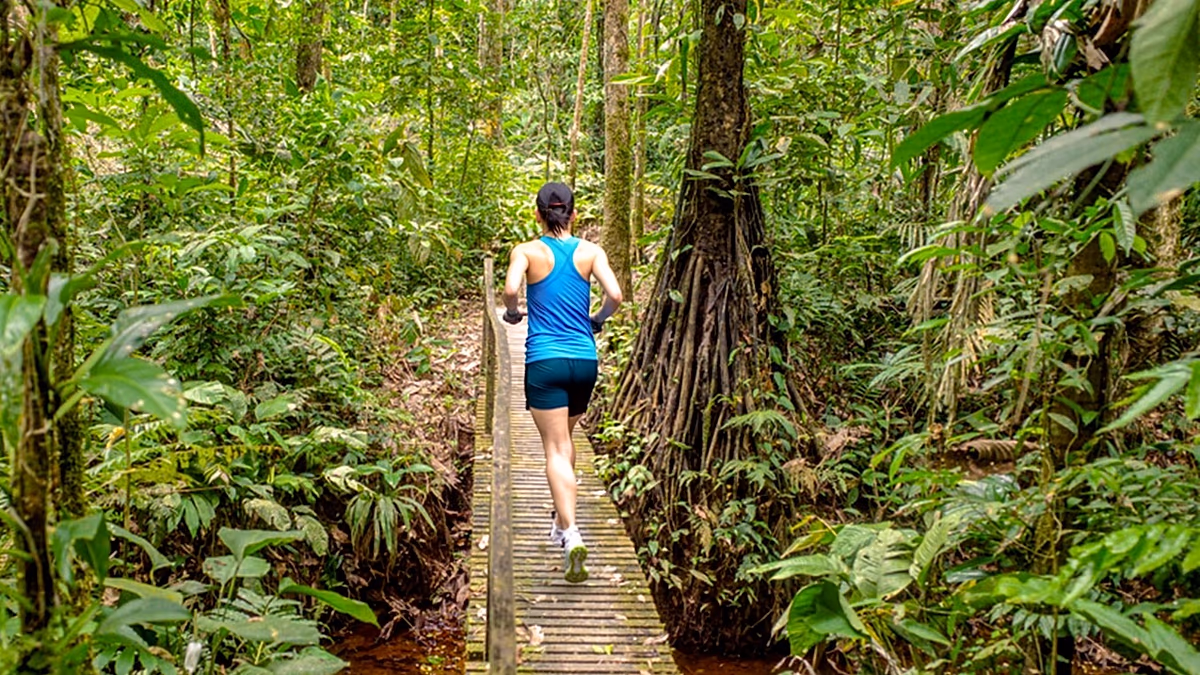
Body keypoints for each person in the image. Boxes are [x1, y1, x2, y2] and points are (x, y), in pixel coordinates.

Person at [502, 181, 623, 584]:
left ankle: (571, 533)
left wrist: (513, 312)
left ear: (538, 213)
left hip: (545, 361)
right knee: (567, 443)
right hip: (584, 361)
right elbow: (616, 295)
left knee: (554, 448)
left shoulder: (526, 251)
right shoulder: (591, 252)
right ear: (573, 213)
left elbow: (510, 288)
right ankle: (559, 521)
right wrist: (598, 320)